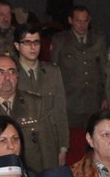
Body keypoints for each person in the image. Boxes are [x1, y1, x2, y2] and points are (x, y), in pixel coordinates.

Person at [13, 21, 70, 167]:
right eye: (27, 42)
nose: (33, 47)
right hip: (22, 141)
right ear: (17, 46)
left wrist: (63, 147)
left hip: (49, 140)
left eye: (36, 42)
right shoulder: (11, 74)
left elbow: (60, 111)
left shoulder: (52, 71)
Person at [51, 6, 108, 127]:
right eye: (78, 21)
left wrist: (105, 97)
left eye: (85, 21)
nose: (82, 25)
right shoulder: (60, 40)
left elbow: (104, 70)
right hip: (70, 101)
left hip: (93, 100)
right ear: (70, 21)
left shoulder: (98, 39)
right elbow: (53, 72)